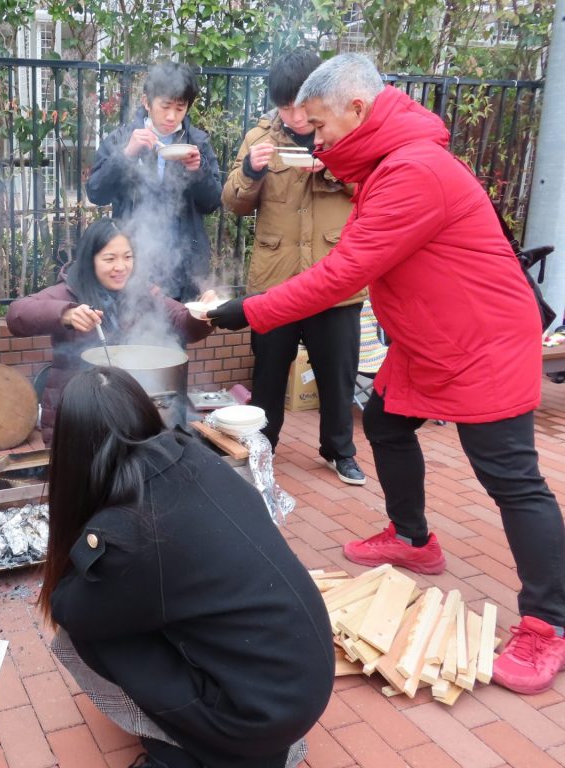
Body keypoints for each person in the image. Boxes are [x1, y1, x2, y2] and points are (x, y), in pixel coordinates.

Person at [207, 53, 565, 695]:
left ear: (358, 110)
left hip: (481, 341)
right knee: (385, 421)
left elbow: (341, 272)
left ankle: (550, 624)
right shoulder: (385, 164)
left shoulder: (413, 172)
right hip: (430, 339)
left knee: (510, 477)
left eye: (319, 126)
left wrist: (239, 312)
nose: (314, 140)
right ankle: (412, 538)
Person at [40, 367, 334, 768]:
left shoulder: (132, 532)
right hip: (302, 679)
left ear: (73, 451)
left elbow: (68, 607)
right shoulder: (191, 452)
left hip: (261, 714)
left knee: (84, 634)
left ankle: (198, 754)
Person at [222, 50, 366, 485]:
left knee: (337, 376)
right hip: (275, 281)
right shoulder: (259, 137)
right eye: (285, 106)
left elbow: (376, 192)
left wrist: (341, 170)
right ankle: (263, 447)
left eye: (302, 106)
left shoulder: (346, 136)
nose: (295, 116)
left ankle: (339, 451)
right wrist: (250, 171)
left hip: (335, 279)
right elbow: (233, 202)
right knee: (266, 374)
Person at [6, 218, 215, 445]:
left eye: (128, 257)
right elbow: (17, 315)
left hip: (130, 411)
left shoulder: (143, 294)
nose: (121, 267)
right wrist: (65, 314)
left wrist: (204, 314)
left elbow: (182, 323)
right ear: (90, 260)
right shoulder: (68, 292)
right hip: (77, 415)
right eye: (109, 259)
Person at [85, 62, 222, 301]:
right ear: (147, 102)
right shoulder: (123, 138)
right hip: (133, 259)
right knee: (134, 332)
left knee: (176, 335)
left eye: (180, 108)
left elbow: (212, 202)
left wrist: (198, 170)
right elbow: (96, 193)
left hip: (182, 263)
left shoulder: (197, 143)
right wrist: (126, 155)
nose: (172, 116)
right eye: (165, 106)